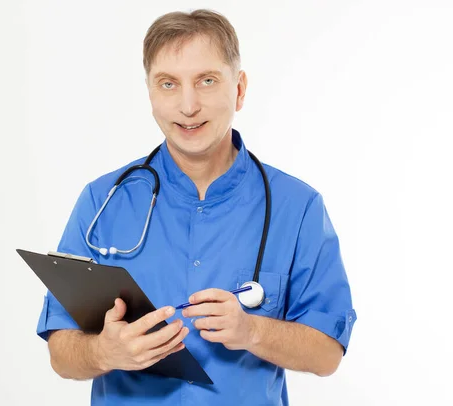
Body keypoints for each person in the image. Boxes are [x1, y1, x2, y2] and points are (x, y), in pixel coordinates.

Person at [36, 8, 357, 405]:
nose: (188, 106)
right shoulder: (103, 201)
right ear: (150, 93)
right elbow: (61, 353)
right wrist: (105, 352)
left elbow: (328, 353)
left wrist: (252, 331)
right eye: (168, 84)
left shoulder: (299, 207)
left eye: (206, 81)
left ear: (239, 89)